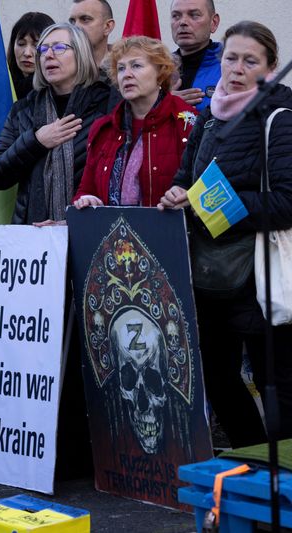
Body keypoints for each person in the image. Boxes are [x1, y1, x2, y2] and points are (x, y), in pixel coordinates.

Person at [159, 21, 292, 447]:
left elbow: (288, 203)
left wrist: (217, 203)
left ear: (269, 69)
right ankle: (249, 463)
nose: (235, 68)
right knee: (218, 382)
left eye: (249, 60)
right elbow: (185, 181)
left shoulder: (280, 120)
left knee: (278, 394)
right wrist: (177, 196)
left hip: (257, 277)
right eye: (230, 57)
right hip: (208, 277)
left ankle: (281, 484)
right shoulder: (208, 120)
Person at [0, 22, 112, 225]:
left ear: (81, 54)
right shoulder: (25, 109)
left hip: (91, 230)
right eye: (43, 50)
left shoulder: (107, 105)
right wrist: (36, 141)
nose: (48, 55)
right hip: (35, 237)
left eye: (59, 48)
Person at [73, 36, 197, 209]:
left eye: (136, 66)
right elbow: (85, 189)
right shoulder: (104, 128)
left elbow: (206, 189)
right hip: (113, 233)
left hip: (170, 232)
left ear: (161, 73)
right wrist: (86, 200)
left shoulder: (188, 123)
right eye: (121, 68)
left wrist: (189, 196)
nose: (127, 75)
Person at [170, 0, 221, 110]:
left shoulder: (230, 65)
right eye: (176, 16)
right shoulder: (156, 68)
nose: (183, 22)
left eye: (194, 15)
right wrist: (161, 102)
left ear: (214, 22)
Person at [7, 12, 56, 101]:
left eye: (36, 45)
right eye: (21, 44)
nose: (27, 53)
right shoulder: (3, 85)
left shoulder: (57, 89)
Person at [69, 0, 115, 69]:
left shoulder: (127, 71)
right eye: (72, 21)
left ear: (107, 27)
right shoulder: (61, 69)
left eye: (85, 19)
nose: (76, 27)